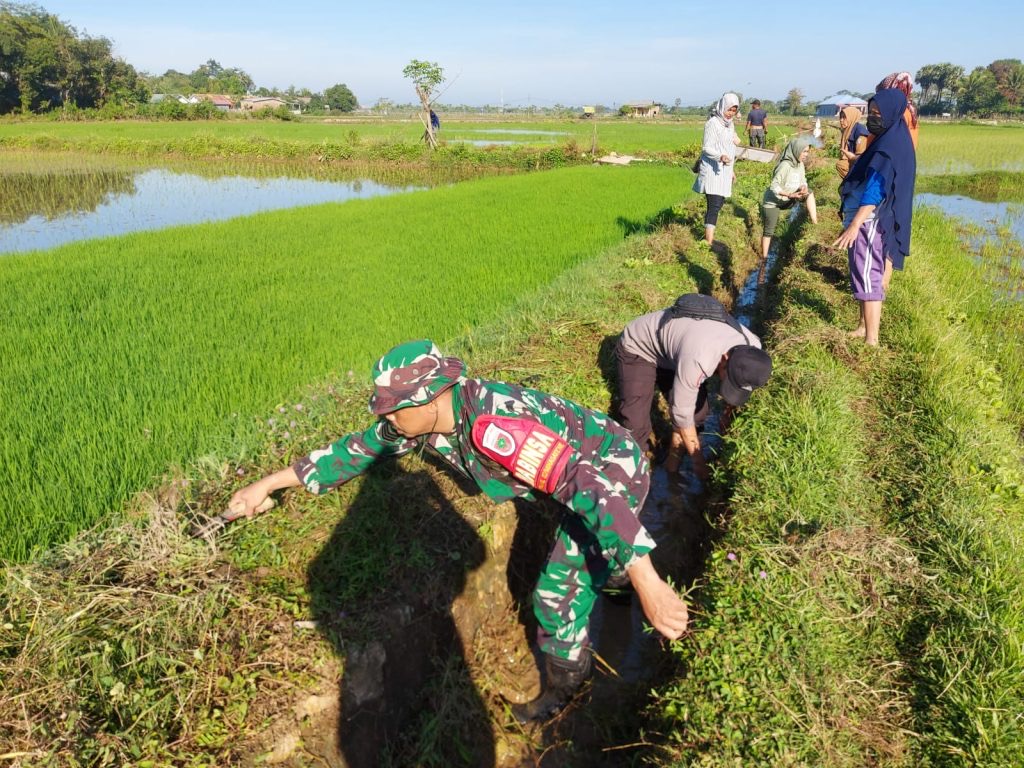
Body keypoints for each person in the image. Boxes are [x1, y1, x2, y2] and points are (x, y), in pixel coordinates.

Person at [229, 340, 690, 722]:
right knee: (592, 555)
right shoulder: (418, 422)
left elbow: (588, 489)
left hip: (609, 472)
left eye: (394, 411)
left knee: (555, 593)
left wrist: (650, 583)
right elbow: (354, 451)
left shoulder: (495, 428)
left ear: (431, 398)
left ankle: (566, 691)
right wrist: (266, 484)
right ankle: (612, 579)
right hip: (574, 474)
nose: (386, 420)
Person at [615, 299, 772, 480]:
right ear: (725, 358)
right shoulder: (700, 357)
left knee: (698, 413)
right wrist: (699, 463)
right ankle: (637, 476)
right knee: (636, 423)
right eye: (727, 378)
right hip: (641, 348)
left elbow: (741, 384)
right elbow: (682, 413)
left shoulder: (753, 347)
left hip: (676, 353)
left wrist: (727, 415)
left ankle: (671, 464)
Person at [832, 89, 917, 346]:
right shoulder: (888, 139)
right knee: (861, 273)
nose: (874, 119)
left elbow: (875, 189)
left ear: (891, 114)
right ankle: (862, 328)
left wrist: (855, 225)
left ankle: (871, 339)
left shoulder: (888, 148)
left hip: (869, 223)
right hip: (866, 219)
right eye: (872, 113)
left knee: (869, 277)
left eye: (879, 114)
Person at [761, 136, 818, 270]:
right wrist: (790, 194)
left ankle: (815, 223)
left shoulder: (800, 164)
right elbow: (774, 186)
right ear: (796, 150)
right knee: (769, 230)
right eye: (803, 151)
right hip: (773, 202)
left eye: (807, 152)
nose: (806, 155)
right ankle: (764, 259)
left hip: (790, 199)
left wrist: (803, 188)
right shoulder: (785, 165)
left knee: (809, 192)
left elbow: (803, 180)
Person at [694, 92, 742, 245]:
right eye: (729, 110)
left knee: (719, 203)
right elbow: (706, 148)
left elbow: (730, 147)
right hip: (713, 170)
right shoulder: (713, 123)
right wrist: (720, 156)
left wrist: (731, 170)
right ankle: (708, 242)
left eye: (734, 111)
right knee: (714, 205)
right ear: (722, 107)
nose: (730, 113)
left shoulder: (730, 124)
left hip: (725, 170)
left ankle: (708, 234)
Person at [836, 105, 869, 180]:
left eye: (844, 117)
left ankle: (854, 183)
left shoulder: (860, 133)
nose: (841, 120)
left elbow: (861, 157)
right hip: (853, 161)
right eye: (840, 117)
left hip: (862, 164)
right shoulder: (848, 130)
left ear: (852, 117)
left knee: (841, 165)